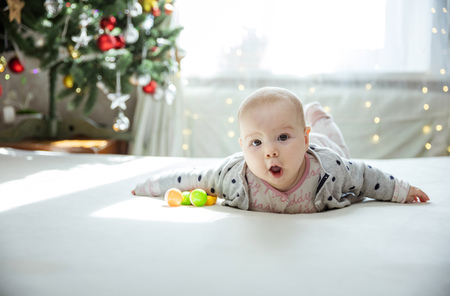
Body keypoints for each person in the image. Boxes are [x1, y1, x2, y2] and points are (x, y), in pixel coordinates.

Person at [132, 87, 429, 213]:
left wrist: (402, 191)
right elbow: (193, 178)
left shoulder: (331, 169)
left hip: (325, 148)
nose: (269, 152)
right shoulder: (235, 176)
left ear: (302, 138)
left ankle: (317, 118)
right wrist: (150, 185)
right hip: (307, 143)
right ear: (242, 149)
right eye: (256, 143)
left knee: (337, 143)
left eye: (283, 137)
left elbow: (365, 176)